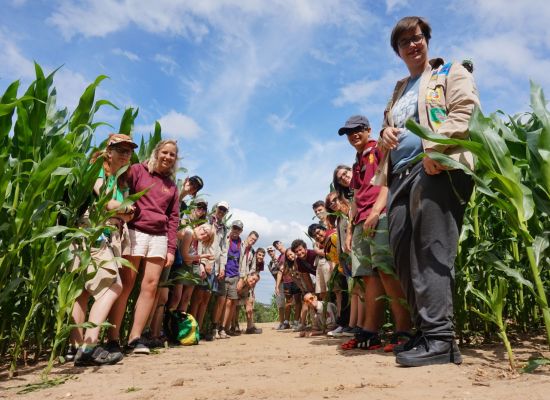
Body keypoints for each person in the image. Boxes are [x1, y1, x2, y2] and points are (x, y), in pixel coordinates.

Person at [377, 16, 478, 366]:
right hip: (400, 175)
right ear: (398, 51)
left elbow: (465, 111)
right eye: (404, 42)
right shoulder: (399, 89)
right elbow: (387, 132)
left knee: (430, 249)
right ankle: (424, 331)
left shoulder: (449, 72)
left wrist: (437, 149)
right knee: (403, 252)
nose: (412, 45)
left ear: (426, 40)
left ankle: (440, 338)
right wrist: (385, 136)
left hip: (434, 165)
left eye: (417, 38)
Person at [337, 114, 411, 352]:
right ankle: (370, 332)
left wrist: (376, 211)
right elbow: (357, 195)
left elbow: (388, 178)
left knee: (386, 270)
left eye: (358, 129)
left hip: (379, 215)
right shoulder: (357, 160)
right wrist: (350, 229)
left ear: (368, 129)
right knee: (368, 276)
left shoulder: (378, 147)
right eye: (349, 133)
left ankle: (404, 331)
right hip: (360, 221)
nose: (353, 135)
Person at [106, 139, 180, 355]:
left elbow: (173, 218)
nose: (167, 157)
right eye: (164, 152)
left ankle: (135, 337)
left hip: (159, 237)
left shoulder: (172, 186)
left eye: (172, 155)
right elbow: (116, 179)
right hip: (134, 231)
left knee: (151, 286)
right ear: (157, 152)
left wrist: (171, 249)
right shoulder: (138, 171)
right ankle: (113, 338)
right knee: (127, 283)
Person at [69, 133, 137, 366]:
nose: (126, 153)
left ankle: (76, 348)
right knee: (114, 285)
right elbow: (107, 204)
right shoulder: (98, 169)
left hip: (100, 235)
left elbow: (124, 213)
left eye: (129, 150)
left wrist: (124, 211)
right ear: (109, 151)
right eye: (120, 148)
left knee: (83, 292)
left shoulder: (120, 182)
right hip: (92, 233)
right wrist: (125, 210)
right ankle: (88, 346)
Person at [217, 220, 245, 338]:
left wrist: (241, 278)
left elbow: (242, 261)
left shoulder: (241, 243)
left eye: (238, 229)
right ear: (231, 228)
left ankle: (224, 328)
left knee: (231, 302)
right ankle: (216, 327)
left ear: (241, 231)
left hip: (235, 275)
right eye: (234, 228)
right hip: (224, 274)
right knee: (221, 302)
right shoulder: (225, 239)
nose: (236, 231)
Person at [209, 201, 231, 339]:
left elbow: (224, 250)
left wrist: (222, 267)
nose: (222, 211)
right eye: (220, 209)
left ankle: (214, 328)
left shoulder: (224, 228)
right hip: (207, 263)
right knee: (203, 297)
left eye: (224, 210)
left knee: (221, 298)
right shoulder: (208, 221)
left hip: (219, 267)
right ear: (216, 208)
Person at [267, 245, 286, 330]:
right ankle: (282, 323)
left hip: (287, 282)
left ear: (275, 251)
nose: (271, 252)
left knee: (290, 302)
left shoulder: (280, 258)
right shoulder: (270, 264)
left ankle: (290, 322)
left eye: (272, 250)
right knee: (280, 304)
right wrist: (277, 285)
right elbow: (274, 275)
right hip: (279, 284)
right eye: (269, 251)